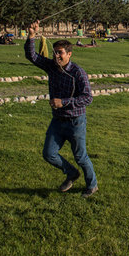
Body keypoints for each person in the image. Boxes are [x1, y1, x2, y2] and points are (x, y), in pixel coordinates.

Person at [25, 20, 98, 198]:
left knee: (81, 156)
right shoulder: (52, 67)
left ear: (69, 54)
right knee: (49, 154)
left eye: (60, 53)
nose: (57, 56)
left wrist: (64, 102)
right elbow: (32, 56)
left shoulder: (78, 73)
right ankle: (72, 173)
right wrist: (31, 36)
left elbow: (87, 98)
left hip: (75, 121)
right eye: (55, 53)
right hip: (58, 121)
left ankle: (92, 185)